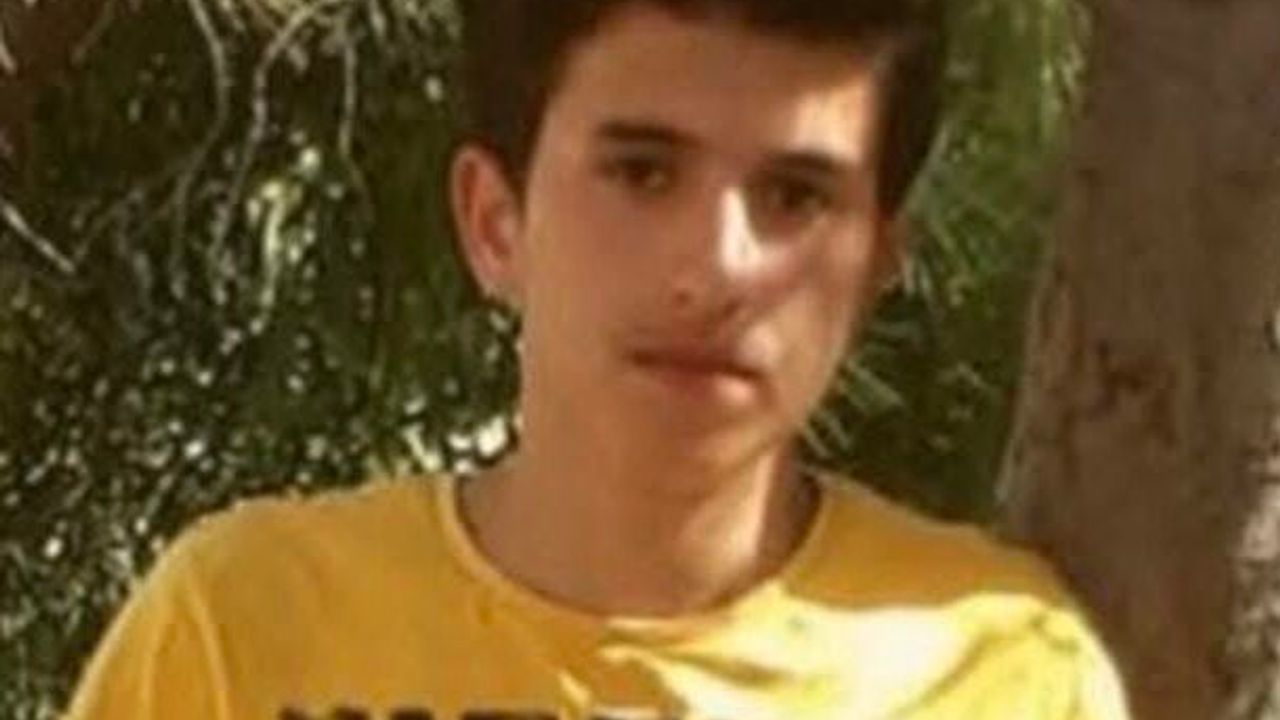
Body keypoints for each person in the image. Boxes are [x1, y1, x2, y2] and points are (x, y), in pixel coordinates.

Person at [64, 1, 1131, 718]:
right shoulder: (241, 633)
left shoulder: (1001, 673)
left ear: (874, 266)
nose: (716, 267)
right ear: (495, 223)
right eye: (643, 173)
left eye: (794, 196)